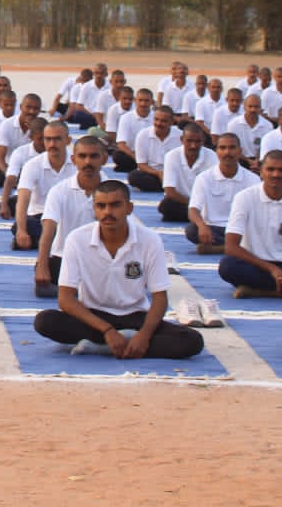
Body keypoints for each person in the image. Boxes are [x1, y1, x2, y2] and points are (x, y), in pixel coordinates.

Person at [32, 181, 204, 360]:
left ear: (129, 208)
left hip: (135, 316)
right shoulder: (77, 239)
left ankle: (103, 347)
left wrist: (144, 336)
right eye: (101, 206)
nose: (108, 212)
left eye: (115, 205)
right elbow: (65, 299)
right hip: (93, 317)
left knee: (192, 341)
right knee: (45, 321)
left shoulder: (149, 240)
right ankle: (122, 342)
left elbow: (160, 298)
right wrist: (107, 330)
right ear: (94, 209)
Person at [221, 150, 282, 297]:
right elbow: (230, 246)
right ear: (261, 172)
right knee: (227, 266)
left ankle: (262, 291)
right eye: (270, 169)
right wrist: (272, 269)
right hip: (257, 264)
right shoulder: (244, 198)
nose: (276, 174)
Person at [36, 135, 107, 298]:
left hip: (101, 260)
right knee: (44, 283)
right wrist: (42, 265)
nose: (88, 162)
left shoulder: (113, 191)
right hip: (65, 259)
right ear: (74, 160)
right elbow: (48, 230)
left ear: (104, 159)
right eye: (82, 156)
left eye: (94, 156)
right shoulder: (59, 191)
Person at [13, 120, 74, 251]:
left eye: (57, 139)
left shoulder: (78, 163)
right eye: (48, 139)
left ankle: (47, 240)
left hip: (68, 217)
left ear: (68, 140)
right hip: (40, 217)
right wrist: (21, 231)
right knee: (21, 226)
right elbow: (23, 199)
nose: (52, 144)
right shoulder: (32, 165)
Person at [158, 123, 217, 223]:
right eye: (189, 141)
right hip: (183, 201)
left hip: (204, 204)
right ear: (182, 139)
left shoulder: (212, 157)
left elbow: (215, 188)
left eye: (197, 141)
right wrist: (193, 206)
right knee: (166, 206)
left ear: (203, 141)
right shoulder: (171, 156)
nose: (193, 146)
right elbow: (170, 191)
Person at [130, 105, 181, 193]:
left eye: (163, 121)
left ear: (172, 122)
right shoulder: (143, 135)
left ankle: (169, 187)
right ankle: (170, 188)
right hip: (152, 173)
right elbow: (141, 164)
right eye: (156, 119)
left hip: (173, 174)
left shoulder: (180, 136)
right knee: (134, 177)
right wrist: (158, 173)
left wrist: (168, 174)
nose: (158, 123)